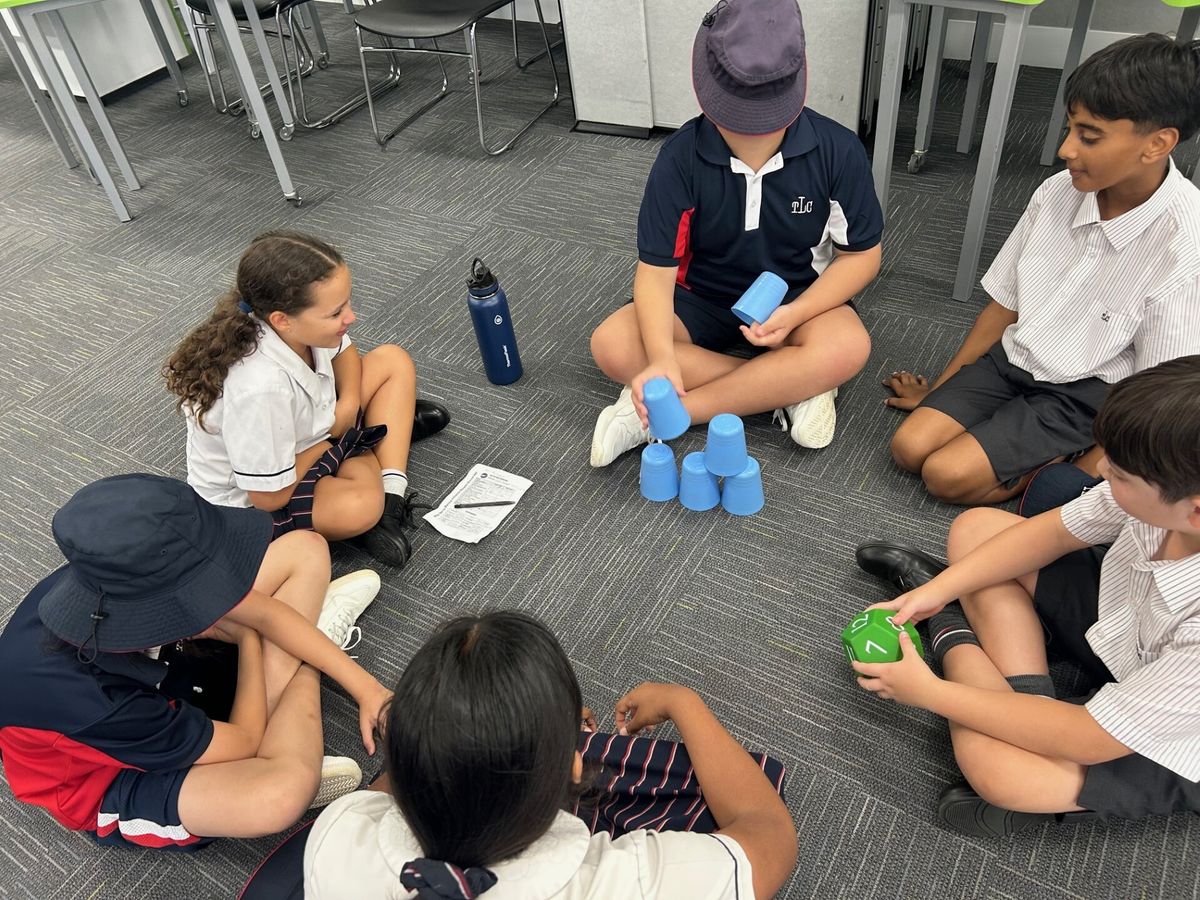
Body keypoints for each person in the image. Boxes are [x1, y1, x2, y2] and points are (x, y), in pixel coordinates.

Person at [853, 356, 1200, 838]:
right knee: (977, 529)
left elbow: (1088, 738)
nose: (1100, 469)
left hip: (1165, 731)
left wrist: (928, 693)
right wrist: (937, 590)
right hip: (1123, 620)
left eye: (1121, 475)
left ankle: (950, 629)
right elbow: (1052, 533)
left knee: (1000, 772)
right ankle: (1012, 688)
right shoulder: (1166, 492)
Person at [883, 34, 1200, 505]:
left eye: (1089, 136)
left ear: (1157, 144)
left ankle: (1066, 452)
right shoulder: (1056, 192)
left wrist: (1086, 476)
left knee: (945, 475)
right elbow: (1001, 308)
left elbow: (1159, 393)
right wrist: (940, 393)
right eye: (1069, 128)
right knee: (909, 447)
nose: (1066, 149)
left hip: (1085, 395)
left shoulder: (1186, 243)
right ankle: (1008, 437)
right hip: (1014, 360)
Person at [0, 474, 392, 848]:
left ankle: (290, 733)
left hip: (151, 678)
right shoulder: (98, 703)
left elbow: (262, 612)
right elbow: (245, 739)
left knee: (304, 548)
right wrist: (253, 639)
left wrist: (368, 689)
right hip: (107, 781)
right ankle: (302, 688)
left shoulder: (115, 569)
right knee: (279, 796)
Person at [302, 611, 798, 899]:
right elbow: (769, 833)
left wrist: (446, 724)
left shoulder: (338, 834)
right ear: (574, 767)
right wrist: (683, 702)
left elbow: (394, 783)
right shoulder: (634, 881)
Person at [588, 0, 882, 466]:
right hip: (699, 299)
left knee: (848, 345)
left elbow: (862, 256)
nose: (751, 133)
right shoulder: (680, 158)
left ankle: (676, 411)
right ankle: (788, 388)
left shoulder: (838, 151)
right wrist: (662, 358)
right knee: (612, 343)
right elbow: (655, 272)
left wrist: (797, 312)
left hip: (795, 301)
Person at [164, 231, 450, 569]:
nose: (351, 317)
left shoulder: (296, 327)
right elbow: (268, 495)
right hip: (259, 495)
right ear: (282, 320)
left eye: (347, 303)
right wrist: (333, 440)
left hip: (314, 428)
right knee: (359, 506)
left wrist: (348, 404)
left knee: (392, 360)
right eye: (336, 312)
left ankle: (388, 492)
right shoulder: (260, 388)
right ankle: (379, 449)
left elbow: (345, 353)